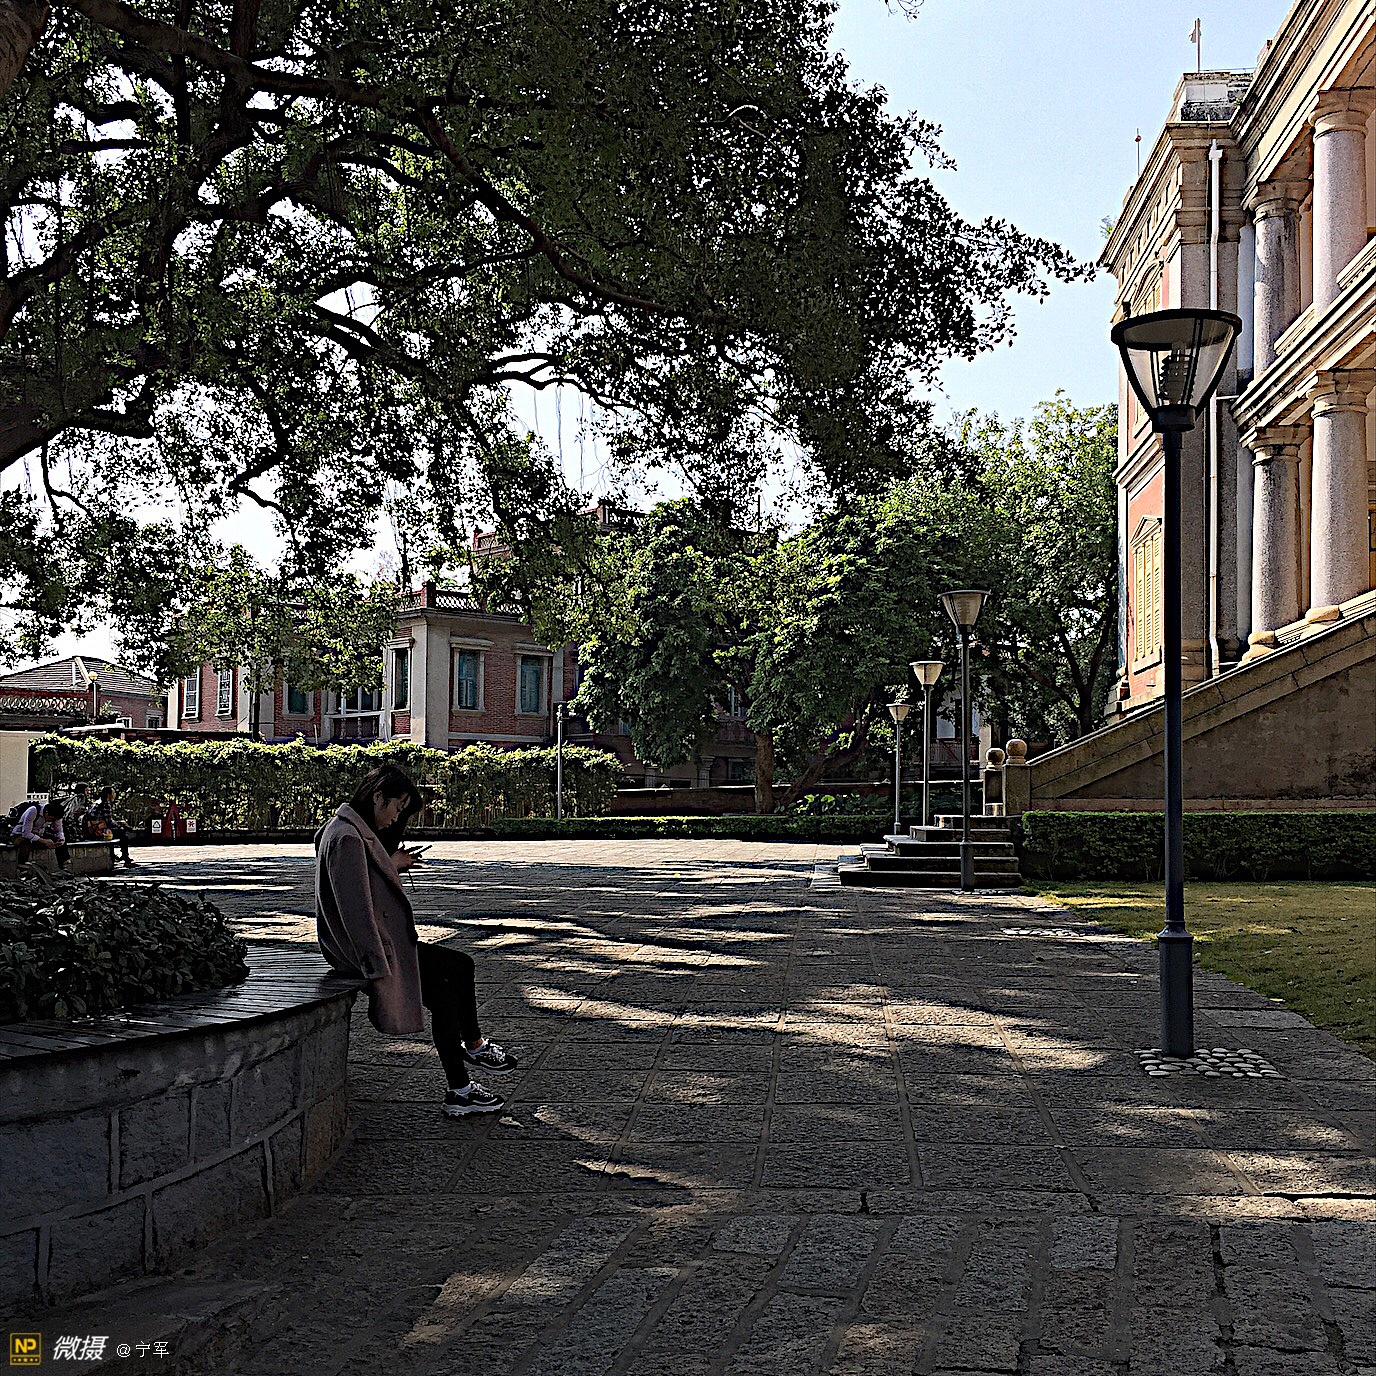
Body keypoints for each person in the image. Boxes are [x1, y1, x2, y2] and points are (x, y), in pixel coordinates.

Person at [314, 765, 517, 1116]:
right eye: (396, 807)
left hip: (375, 947)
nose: (395, 818)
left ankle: (461, 1090)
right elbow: (355, 909)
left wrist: (389, 862)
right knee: (459, 968)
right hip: (370, 952)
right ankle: (473, 1048)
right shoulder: (348, 837)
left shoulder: (344, 830)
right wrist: (378, 967)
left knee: (446, 995)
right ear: (378, 797)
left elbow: (362, 880)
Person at [10, 800, 70, 872]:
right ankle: (22, 866)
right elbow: (26, 833)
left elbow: (59, 831)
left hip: (38, 835)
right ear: (46, 813)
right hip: (20, 835)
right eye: (51, 819)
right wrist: (43, 841)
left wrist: (61, 839)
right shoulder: (33, 811)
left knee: (58, 840)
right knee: (25, 841)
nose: (51, 821)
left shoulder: (56, 816)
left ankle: (64, 865)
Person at [87, 786, 136, 867]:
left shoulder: (97, 803)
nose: (114, 795)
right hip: (99, 831)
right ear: (108, 795)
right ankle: (126, 859)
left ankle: (114, 855)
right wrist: (121, 825)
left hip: (93, 829)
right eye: (113, 793)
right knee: (123, 834)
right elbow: (109, 822)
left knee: (119, 830)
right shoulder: (105, 804)